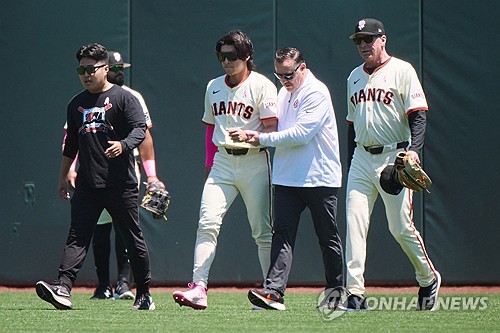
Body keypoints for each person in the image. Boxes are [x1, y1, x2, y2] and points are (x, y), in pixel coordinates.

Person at [35, 43, 155, 310]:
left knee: (131, 237)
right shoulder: (76, 103)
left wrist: (124, 144)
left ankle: (144, 293)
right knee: (77, 236)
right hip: (88, 183)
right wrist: (63, 176)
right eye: (81, 70)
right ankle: (63, 288)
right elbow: (71, 145)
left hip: (120, 183)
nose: (86, 74)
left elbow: (140, 131)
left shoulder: (125, 98)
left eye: (91, 69)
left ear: (105, 69)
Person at [229, 47, 344, 311]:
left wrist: (257, 138)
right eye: (279, 75)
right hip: (286, 179)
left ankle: (335, 294)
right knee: (281, 236)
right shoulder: (283, 92)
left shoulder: (317, 92)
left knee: (327, 238)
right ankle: (274, 293)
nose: (284, 80)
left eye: (289, 74)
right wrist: (248, 132)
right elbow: (275, 127)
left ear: (302, 68)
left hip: (320, 179)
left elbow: (300, 135)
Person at [172, 30, 278, 310]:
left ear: (247, 57)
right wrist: (209, 167)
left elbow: (273, 128)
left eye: (232, 56)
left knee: (262, 232)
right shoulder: (213, 86)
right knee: (206, 223)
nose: (226, 62)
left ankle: (271, 292)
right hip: (222, 162)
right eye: (222, 56)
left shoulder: (262, 85)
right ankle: (198, 288)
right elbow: (210, 130)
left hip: (254, 161)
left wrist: (249, 135)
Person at [345, 18, 441, 311]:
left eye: (368, 39)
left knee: (400, 227)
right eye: (358, 40)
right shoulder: (353, 77)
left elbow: (418, 114)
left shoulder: (402, 70)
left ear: (382, 40)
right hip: (361, 158)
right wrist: (351, 158)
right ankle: (355, 294)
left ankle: (428, 278)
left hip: (393, 157)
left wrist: (413, 151)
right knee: (354, 223)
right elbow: (351, 123)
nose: (363, 45)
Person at [65, 51, 164, 301]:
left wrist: (152, 176)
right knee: (95, 230)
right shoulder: (79, 101)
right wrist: (70, 168)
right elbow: (75, 138)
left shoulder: (130, 97)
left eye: (121, 67)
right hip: (91, 175)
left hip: (123, 175)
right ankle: (99, 285)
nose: (120, 71)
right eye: (116, 66)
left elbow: (144, 136)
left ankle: (125, 283)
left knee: (126, 232)